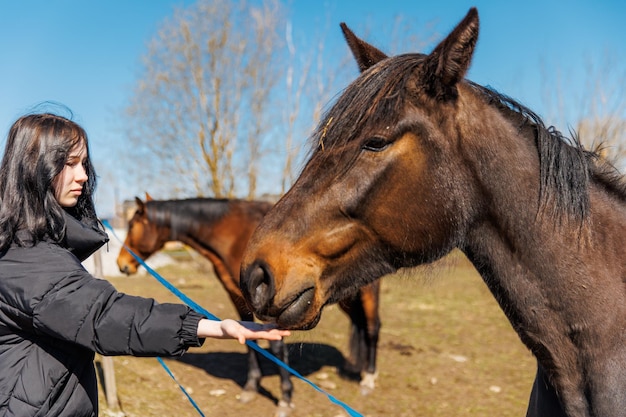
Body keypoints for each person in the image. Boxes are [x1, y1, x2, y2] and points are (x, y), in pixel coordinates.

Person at [0, 112, 290, 417]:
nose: (83, 175)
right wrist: (209, 326)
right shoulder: (28, 257)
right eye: (70, 164)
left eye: (83, 163)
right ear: (35, 167)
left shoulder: (30, 245)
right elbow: (103, 315)